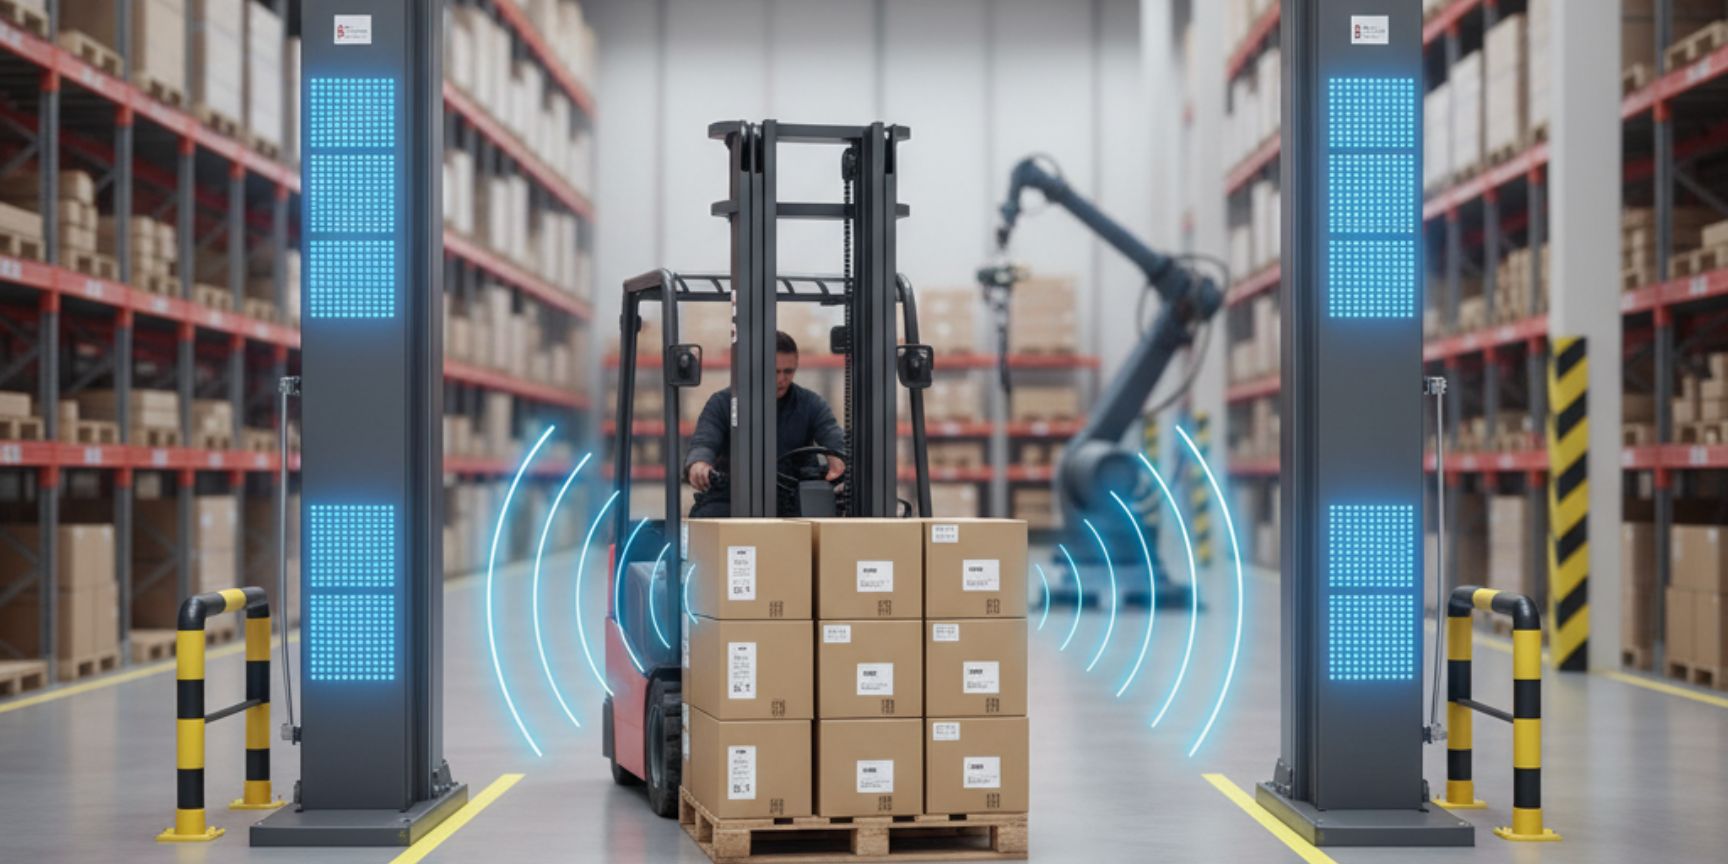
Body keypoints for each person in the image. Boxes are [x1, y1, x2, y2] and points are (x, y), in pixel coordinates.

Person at [685, 331, 847, 517]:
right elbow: (704, 441)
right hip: (733, 495)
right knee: (709, 516)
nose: (781, 379)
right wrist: (699, 464)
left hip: (793, 497)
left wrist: (839, 457)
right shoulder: (723, 403)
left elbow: (832, 434)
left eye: (789, 371)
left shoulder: (811, 404)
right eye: (775, 371)